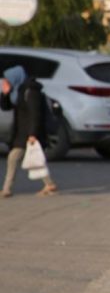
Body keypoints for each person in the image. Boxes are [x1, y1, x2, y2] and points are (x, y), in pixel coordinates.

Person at [1, 65, 58, 197]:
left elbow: (35, 114)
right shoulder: (17, 91)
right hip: (21, 132)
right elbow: (6, 107)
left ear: (15, 78)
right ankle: (49, 184)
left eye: (7, 80)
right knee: (35, 159)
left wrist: (33, 134)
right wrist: (5, 94)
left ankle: (6, 189)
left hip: (30, 132)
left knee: (13, 157)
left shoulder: (31, 91)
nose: (5, 82)